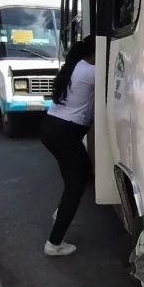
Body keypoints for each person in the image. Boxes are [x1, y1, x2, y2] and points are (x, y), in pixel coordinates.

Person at [41, 35, 96, 256]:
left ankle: (60, 213)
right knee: (76, 184)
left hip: (53, 128)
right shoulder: (91, 71)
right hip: (65, 132)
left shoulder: (76, 66)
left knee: (78, 175)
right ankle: (54, 244)